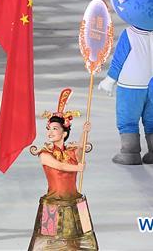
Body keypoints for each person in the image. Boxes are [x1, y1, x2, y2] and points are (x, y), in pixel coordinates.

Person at [27, 89, 98, 251]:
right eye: (49, 128)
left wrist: (84, 132)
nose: (50, 132)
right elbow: (59, 166)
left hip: (76, 201)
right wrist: (77, 168)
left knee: (79, 239)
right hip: (52, 203)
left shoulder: (71, 152)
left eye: (55, 129)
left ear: (64, 133)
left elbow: (80, 151)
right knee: (49, 242)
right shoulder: (45, 154)